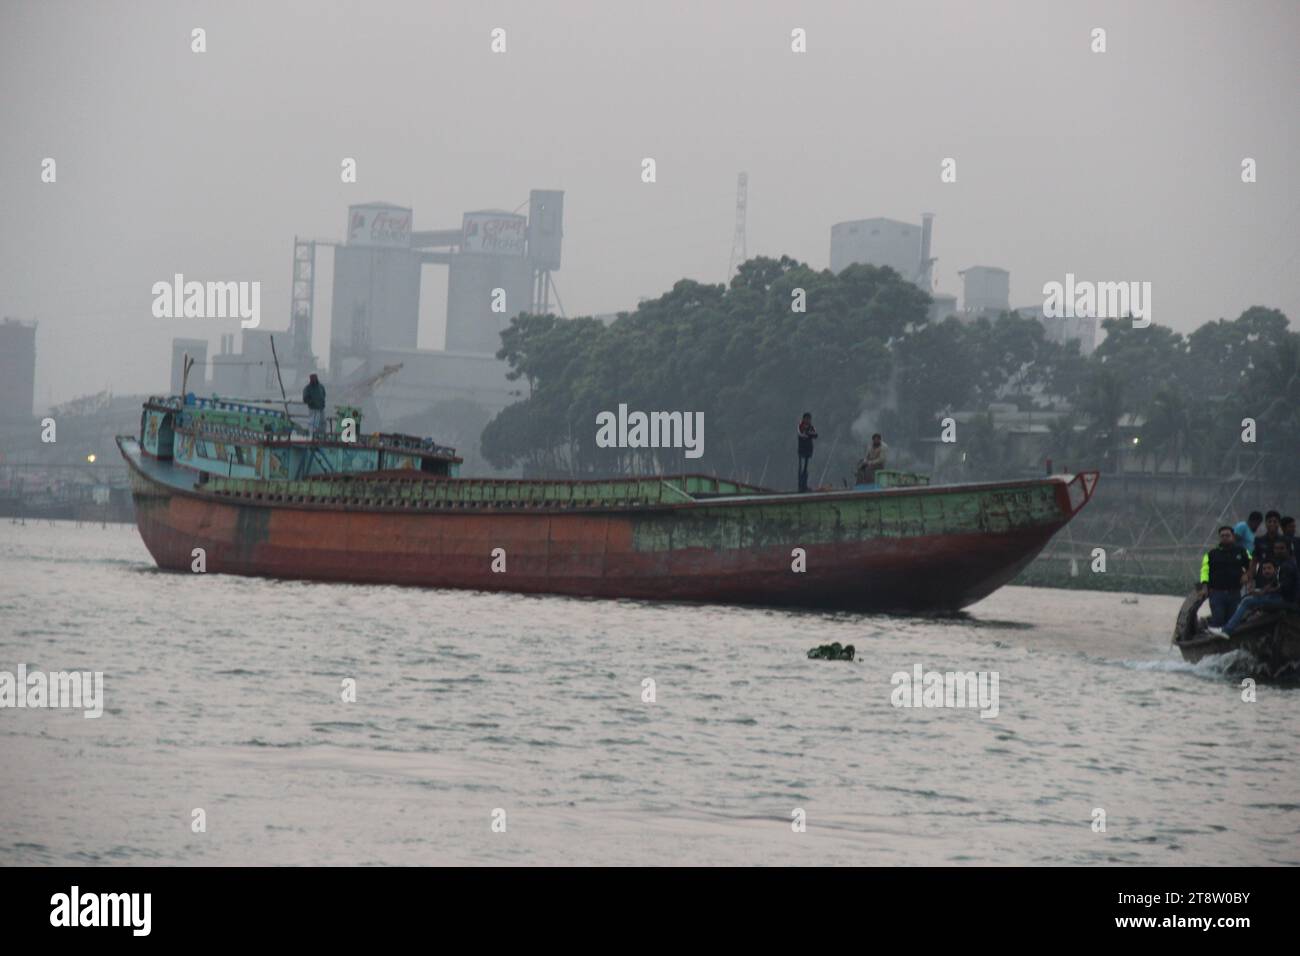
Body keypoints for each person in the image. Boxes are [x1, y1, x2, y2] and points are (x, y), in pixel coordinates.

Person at [1213, 539, 1297, 637]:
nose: (1278, 551)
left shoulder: (1288, 566)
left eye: (1282, 548)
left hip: (1287, 601)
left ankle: (1227, 630)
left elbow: (1284, 588)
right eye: (1276, 548)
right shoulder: (1283, 564)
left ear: (1288, 550)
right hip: (1282, 597)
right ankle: (1235, 624)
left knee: (1247, 601)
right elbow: (1274, 583)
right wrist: (1261, 591)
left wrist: (1263, 592)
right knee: (1249, 597)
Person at [1197, 525, 1250, 626]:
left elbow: (1252, 564)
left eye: (1227, 535)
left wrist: (1247, 574)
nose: (1225, 538)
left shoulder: (1242, 551)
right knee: (1218, 621)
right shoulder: (1211, 554)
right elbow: (1204, 572)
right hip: (1217, 594)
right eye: (1222, 536)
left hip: (1234, 593)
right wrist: (1204, 587)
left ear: (1233, 536)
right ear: (1219, 537)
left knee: (1233, 622)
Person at [1249, 510, 1284, 576]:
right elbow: (1254, 561)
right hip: (1262, 577)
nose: (1272, 524)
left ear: (1279, 523)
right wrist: (1250, 576)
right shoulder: (1259, 540)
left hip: (1280, 576)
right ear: (1265, 523)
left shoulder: (1284, 540)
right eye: (1269, 521)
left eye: (1275, 521)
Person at [796, 413, 818, 492]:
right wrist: (808, 434)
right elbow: (801, 434)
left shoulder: (811, 427)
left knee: (806, 469)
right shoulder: (800, 426)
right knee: (800, 468)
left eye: (809, 419)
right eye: (807, 419)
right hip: (801, 450)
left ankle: (804, 486)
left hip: (808, 450)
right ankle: (800, 486)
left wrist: (808, 434)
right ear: (804, 419)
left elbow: (815, 435)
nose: (808, 420)